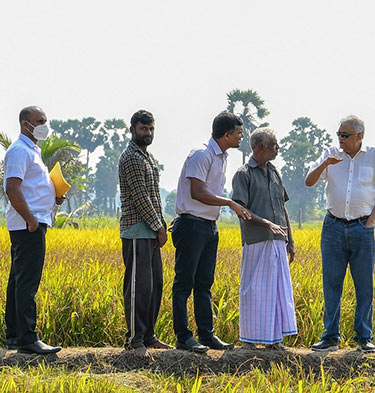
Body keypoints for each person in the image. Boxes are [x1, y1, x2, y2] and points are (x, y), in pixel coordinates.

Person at [305, 115, 375, 353]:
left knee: (364, 284)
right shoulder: (331, 153)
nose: (340, 139)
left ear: (360, 137)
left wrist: (371, 221)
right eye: (339, 135)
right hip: (332, 226)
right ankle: (330, 337)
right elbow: (309, 181)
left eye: (345, 135)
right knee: (331, 283)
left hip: (362, 228)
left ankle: (364, 336)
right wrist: (325, 165)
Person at [171, 111, 251, 352]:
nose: (241, 136)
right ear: (226, 135)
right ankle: (183, 336)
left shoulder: (222, 156)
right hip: (192, 224)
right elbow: (197, 192)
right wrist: (229, 203)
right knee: (184, 283)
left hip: (208, 226)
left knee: (204, 283)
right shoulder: (202, 154)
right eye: (238, 132)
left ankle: (206, 334)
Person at [3, 106, 65, 354]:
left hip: (33, 220)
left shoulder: (32, 151)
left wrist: (53, 196)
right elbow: (13, 188)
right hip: (29, 223)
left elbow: (29, 187)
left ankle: (14, 335)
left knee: (18, 280)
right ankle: (28, 337)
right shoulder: (19, 151)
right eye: (39, 121)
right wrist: (30, 219)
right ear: (24, 124)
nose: (44, 125)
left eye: (45, 121)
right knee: (27, 282)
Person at [231, 128, 297, 350]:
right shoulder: (244, 174)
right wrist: (266, 223)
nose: (277, 149)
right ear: (259, 147)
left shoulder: (275, 172)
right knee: (254, 290)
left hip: (278, 240)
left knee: (277, 290)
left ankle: (274, 340)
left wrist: (290, 240)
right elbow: (241, 209)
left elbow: (282, 207)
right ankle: (249, 340)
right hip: (256, 240)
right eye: (273, 145)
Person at [118, 109, 171, 359]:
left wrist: (162, 224)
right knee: (138, 287)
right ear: (132, 130)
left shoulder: (147, 158)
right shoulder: (131, 158)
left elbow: (154, 196)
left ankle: (149, 335)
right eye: (143, 129)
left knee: (154, 286)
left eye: (151, 129)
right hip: (137, 231)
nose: (147, 133)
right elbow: (140, 198)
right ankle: (134, 339)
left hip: (150, 232)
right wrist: (158, 226)